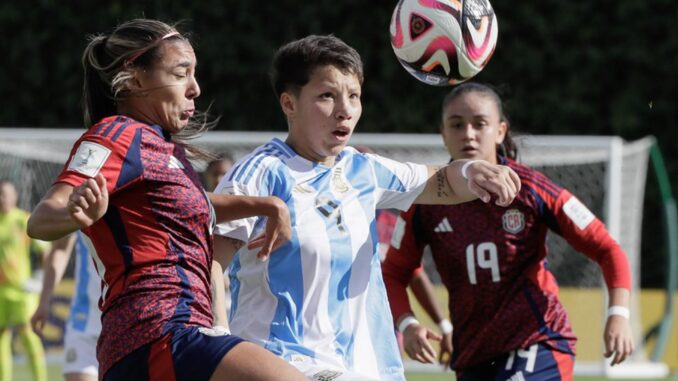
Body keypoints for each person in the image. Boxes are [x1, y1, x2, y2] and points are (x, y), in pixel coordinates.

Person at [212, 35, 520, 381]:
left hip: (369, 368)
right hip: (285, 362)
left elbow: (440, 182)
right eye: (327, 96)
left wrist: (471, 169)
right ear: (289, 104)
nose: (345, 110)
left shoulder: (363, 170)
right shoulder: (261, 173)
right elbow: (211, 258)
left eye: (354, 96)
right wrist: (219, 339)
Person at [25, 18, 305, 381]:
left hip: (167, 336)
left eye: (194, 74)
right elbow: (41, 219)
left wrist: (268, 205)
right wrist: (76, 213)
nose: (195, 88)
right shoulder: (115, 133)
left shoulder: (161, 147)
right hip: (156, 331)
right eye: (181, 73)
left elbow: (189, 202)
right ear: (136, 78)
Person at [381, 82, 635, 380]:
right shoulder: (425, 202)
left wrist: (619, 315)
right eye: (457, 124)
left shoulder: (531, 188)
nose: (469, 134)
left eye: (480, 124)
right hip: (474, 354)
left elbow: (607, 248)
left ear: (500, 131)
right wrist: (407, 324)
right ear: (443, 133)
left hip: (538, 339)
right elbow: (394, 272)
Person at [355, 145, 451, 358]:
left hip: (384, 333)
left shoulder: (392, 223)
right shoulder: (323, 223)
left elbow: (413, 275)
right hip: (334, 331)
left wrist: (444, 326)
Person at [32, 232, 100, 381]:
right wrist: (44, 301)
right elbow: (60, 248)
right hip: (84, 321)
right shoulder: (80, 208)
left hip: (128, 320)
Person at [0, 180, 48, 381]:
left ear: (15, 197)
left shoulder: (24, 220)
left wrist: (40, 278)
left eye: (5, 194)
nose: (2, 198)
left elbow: (45, 250)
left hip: (22, 292)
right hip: (1, 293)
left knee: (28, 337)